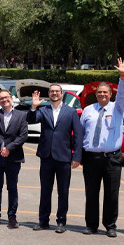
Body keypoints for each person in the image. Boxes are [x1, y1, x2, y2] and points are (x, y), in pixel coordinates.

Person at [80, 57, 124, 237]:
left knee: (111, 194)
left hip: (112, 158)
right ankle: (91, 225)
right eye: (99, 92)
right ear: (96, 94)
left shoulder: (118, 108)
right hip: (91, 158)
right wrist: (78, 156)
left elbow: (123, 93)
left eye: (105, 92)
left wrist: (123, 76)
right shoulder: (88, 110)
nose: (102, 95)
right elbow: (81, 134)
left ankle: (110, 225)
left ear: (110, 94)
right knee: (91, 194)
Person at [28, 84, 84, 233]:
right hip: (46, 156)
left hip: (64, 157)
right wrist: (33, 106)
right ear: (49, 94)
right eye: (52, 92)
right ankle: (43, 221)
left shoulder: (70, 112)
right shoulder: (43, 110)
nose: (54, 94)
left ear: (62, 94)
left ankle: (61, 221)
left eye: (57, 92)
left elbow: (78, 136)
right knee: (45, 191)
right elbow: (31, 120)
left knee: (63, 191)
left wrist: (77, 156)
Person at [0, 83, 28, 229]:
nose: (4, 100)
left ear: (11, 99)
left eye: (6, 98)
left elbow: (23, 136)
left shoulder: (21, 115)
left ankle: (12, 217)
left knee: (12, 187)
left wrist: (9, 148)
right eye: (1, 98)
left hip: (13, 157)